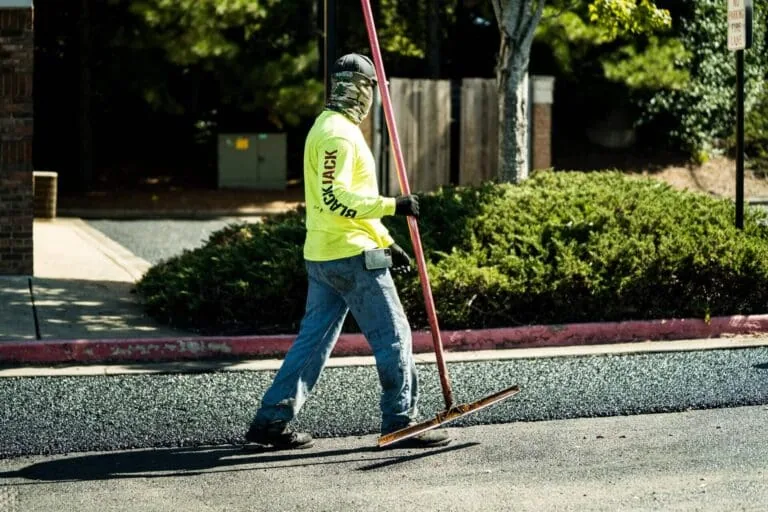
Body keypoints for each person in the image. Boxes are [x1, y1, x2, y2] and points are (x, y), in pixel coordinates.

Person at [244, 53, 450, 450]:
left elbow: (344, 202)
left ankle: (270, 421)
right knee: (394, 336)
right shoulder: (338, 134)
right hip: (352, 258)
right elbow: (335, 197)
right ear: (361, 90)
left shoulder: (328, 127)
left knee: (313, 343)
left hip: (325, 255)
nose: (372, 96)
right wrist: (393, 206)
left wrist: (387, 241)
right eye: (371, 88)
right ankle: (400, 422)